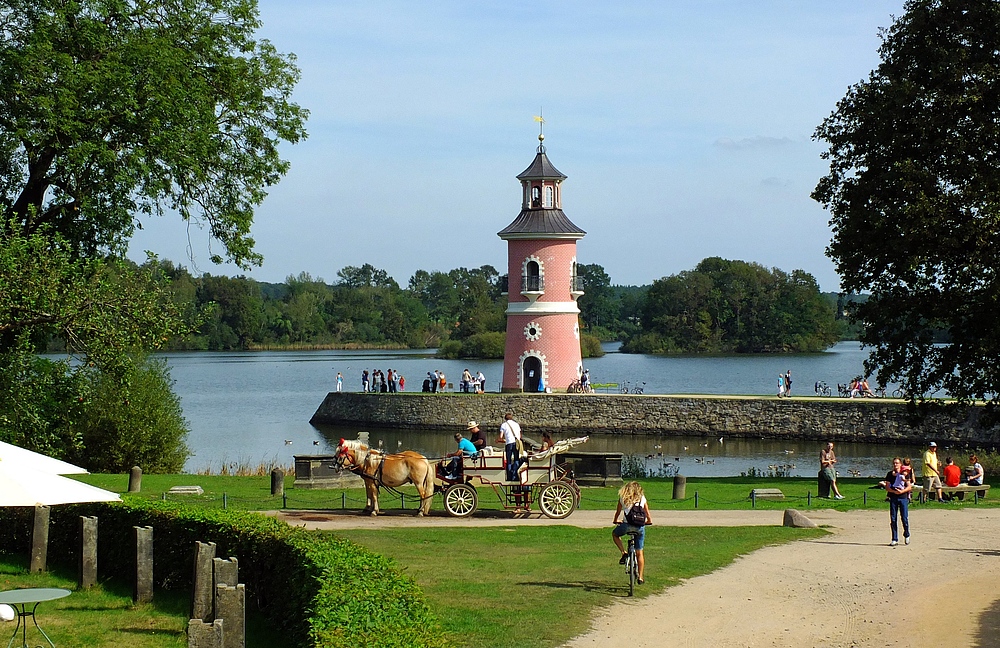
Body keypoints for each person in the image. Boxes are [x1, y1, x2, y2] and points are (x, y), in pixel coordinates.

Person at [612, 481, 653, 585]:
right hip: (639, 527)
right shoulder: (642, 498)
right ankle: (640, 577)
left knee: (615, 534)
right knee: (640, 552)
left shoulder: (623, 498)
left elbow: (618, 512)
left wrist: (616, 520)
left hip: (626, 525)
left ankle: (623, 552)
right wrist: (648, 521)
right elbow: (648, 514)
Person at [884, 457, 912, 546]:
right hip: (893, 498)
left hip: (903, 498)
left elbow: (909, 486)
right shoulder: (889, 474)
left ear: (900, 464)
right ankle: (894, 538)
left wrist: (902, 491)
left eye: (897, 463)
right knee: (893, 518)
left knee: (904, 518)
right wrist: (893, 491)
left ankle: (906, 534)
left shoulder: (904, 473)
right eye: (894, 463)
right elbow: (887, 487)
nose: (895, 465)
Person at [497, 412, 522, 481]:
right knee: (516, 459)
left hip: (509, 444)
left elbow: (500, 437)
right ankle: (515, 475)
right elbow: (519, 436)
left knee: (509, 460)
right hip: (516, 443)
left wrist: (499, 440)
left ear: (505, 419)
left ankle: (509, 477)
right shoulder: (516, 424)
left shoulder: (504, 425)